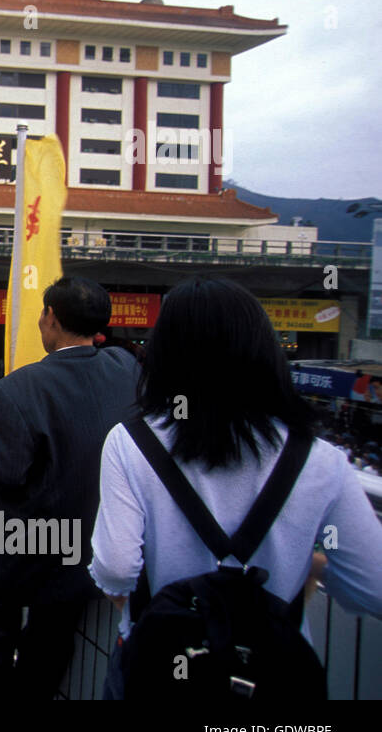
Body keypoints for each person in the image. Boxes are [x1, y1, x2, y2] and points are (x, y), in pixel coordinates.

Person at [90, 277, 382, 697]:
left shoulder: (131, 442)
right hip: (270, 673)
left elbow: (116, 568)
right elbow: (371, 587)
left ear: (164, 356)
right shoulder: (320, 459)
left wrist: (141, 605)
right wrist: (312, 566)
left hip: (161, 667)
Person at [0, 277, 137, 700]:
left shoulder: (17, 388)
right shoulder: (126, 371)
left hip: (7, 551)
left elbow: (7, 472)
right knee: (47, 655)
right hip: (77, 554)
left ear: (50, 317)